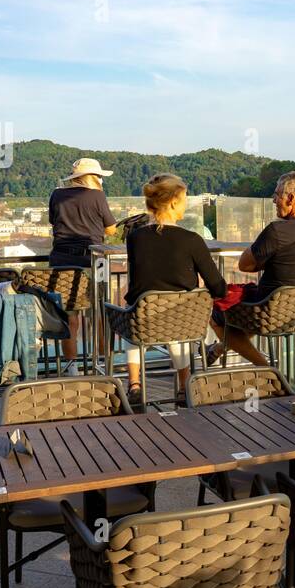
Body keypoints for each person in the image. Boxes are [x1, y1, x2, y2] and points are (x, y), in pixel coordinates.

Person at [123, 173, 227, 407]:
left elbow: (141, 278)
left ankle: (135, 384)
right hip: (181, 322)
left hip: (143, 321)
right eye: (184, 199)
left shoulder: (135, 238)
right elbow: (217, 285)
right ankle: (184, 386)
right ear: (172, 202)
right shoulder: (191, 240)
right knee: (179, 318)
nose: (186, 204)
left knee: (134, 313)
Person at [209, 170, 295, 366]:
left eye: (277, 195)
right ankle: (218, 348)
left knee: (217, 312)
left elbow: (245, 264)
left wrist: (266, 249)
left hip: (269, 313)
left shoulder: (277, 231)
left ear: (291, 199)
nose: (274, 200)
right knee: (246, 313)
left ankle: (266, 368)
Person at [48, 157, 118, 374]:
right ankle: (103, 364)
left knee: (69, 316)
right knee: (99, 314)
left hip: (61, 261)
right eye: (98, 176)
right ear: (91, 177)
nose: (100, 180)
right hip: (91, 260)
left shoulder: (57, 195)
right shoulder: (97, 195)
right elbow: (111, 229)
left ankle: (71, 367)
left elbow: (54, 221)